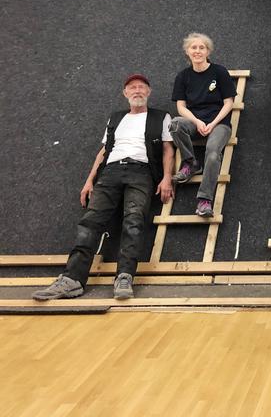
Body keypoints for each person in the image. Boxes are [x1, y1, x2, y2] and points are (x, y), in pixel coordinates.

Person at [33, 74, 174, 301]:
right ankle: (72, 280)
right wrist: (90, 181)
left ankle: (125, 277)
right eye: (132, 88)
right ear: (125, 94)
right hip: (109, 173)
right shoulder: (116, 118)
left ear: (148, 92)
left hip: (142, 172)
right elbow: (104, 150)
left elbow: (168, 149)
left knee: (134, 220)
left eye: (141, 87)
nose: (137, 90)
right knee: (90, 222)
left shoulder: (161, 117)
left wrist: (167, 177)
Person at [169, 33, 237, 217]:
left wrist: (213, 123)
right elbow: (180, 107)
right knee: (174, 124)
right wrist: (197, 122)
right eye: (193, 47)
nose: (197, 51)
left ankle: (204, 200)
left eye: (201, 48)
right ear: (187, 51)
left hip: (219, 124)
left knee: (213, 154)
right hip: (194, 122)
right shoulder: (183, 76)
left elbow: (229, 102)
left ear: (208, 51)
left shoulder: (219, 72)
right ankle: (190, 163)